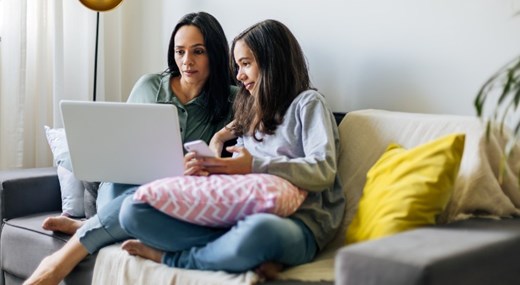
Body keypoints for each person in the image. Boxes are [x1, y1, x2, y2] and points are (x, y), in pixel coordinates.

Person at [118, 19, 346, 279]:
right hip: (239, 218)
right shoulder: (250, 113)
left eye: (246, 64)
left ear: (273, 61)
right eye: (237, 67)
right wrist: (213, 154)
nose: (238, 76)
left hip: (298, 223)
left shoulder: (308, 104)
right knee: (134, 210)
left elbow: (323, 170)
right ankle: (237, 253)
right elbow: (238, 186)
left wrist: (254, 165)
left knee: (259, 232)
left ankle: (175, 257)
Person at [24, 11, 236, 285]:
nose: (186, 61)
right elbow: (121, 141)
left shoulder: (234, 100)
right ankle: (99, 227)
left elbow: (231, 165)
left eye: (198, 51)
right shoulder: (148, 86)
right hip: (122, 185)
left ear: (215, 54)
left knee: (141, 206)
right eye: (179, 51)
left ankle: (63, 257)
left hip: (173, 196)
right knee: (123, 200)